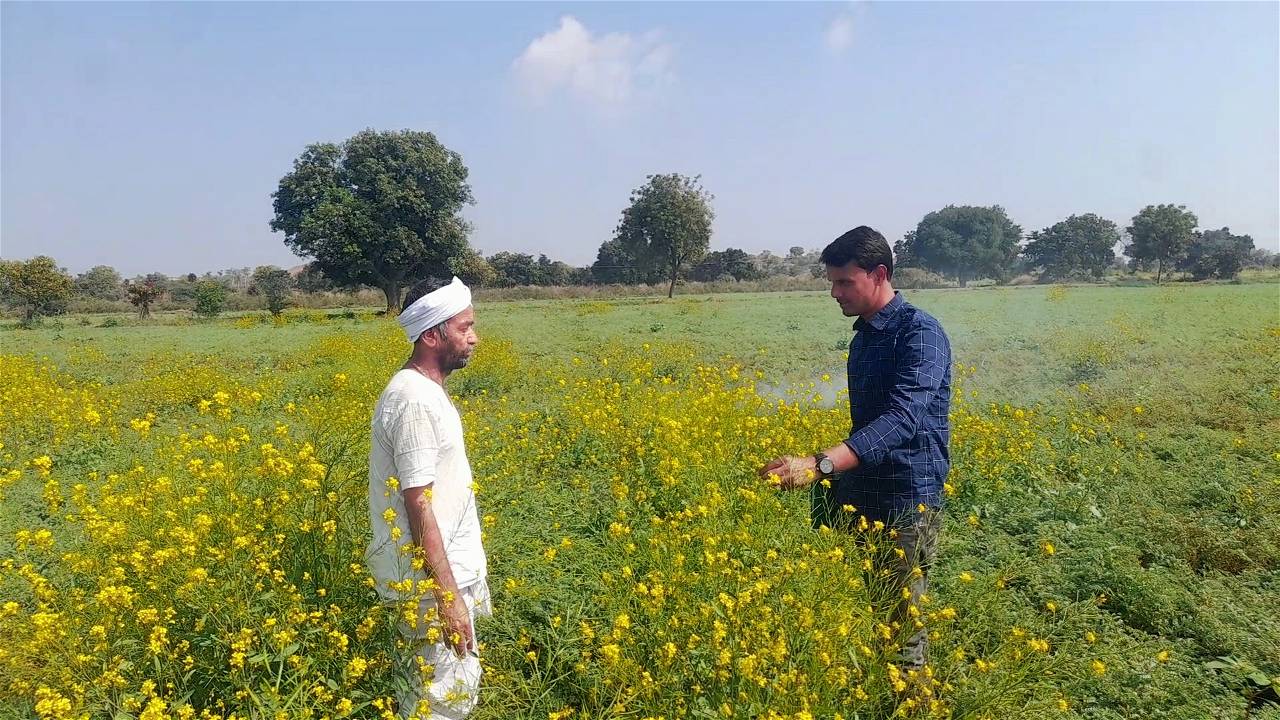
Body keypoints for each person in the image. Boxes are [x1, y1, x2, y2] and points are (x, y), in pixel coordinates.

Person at [759, 226, 951, 670]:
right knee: (881, 615)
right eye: (831, 281)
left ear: (879, 274)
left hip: (904, 499)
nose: (833, 293)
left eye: (844, 282)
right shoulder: (865, 335)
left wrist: (821, 464)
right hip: (864, 492)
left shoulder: (920, 334)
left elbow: (901, 420)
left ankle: (913, 707)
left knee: (902, 634)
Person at [367, 276, 490, 719]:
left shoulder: (423, 392)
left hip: (434, 579)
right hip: (427, 586)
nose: (474, 338)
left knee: (443, 695)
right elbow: (417, 503)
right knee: (439, 704)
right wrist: (449, 597)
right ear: (432, 335)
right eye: (465, 328)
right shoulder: (415, 400)